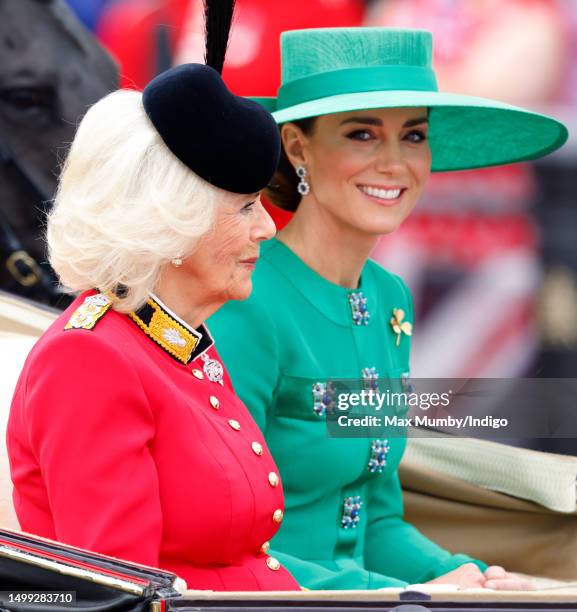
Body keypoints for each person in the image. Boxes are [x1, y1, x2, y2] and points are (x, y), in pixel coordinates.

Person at [208, 27, 568, 590]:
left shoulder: (388, 297)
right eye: (362, 134)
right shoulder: (243, 294)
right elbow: (223, 542)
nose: (395, 163)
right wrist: (402, 594)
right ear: (299, 147)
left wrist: (465, 577)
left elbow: (374, 517)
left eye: (414, 135)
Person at [6, 0, 300, 592]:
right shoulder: (89, 360)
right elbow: (122, 591)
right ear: (172, 224)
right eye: (244, 207)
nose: (267, 227)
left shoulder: (171, 339)